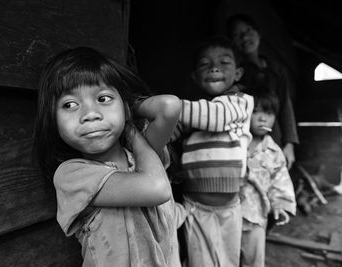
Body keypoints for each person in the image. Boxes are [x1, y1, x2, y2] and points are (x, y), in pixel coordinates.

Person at [33, 46, 185, 267]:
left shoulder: (139, 157)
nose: (90, 115)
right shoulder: (72, 175)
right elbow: (157, 188)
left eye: (103, 99)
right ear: (53, 120)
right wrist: (131, 131)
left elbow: (169, 106)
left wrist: (127, 110)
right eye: (70, 105)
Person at [170, 36, 254, 267]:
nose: (214, 67)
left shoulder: (240, 102)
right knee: (200, 261)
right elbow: (169, 134)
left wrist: (168, 106)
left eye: (224, 62)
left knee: (227, 260)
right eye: (204, 63)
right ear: (195, 76)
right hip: (195, 205)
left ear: (237, 74)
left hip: (229, 206)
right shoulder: (193, 113)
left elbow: (216, 116)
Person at [226, 13, 299, 170]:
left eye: (248, 30)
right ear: (232, 42)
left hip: (275, 133)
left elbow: (285, 105)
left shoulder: (276, 70)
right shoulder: (236, 73)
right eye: (237, 35)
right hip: (246, 136)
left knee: (275, 174)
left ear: (258, 32)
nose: (245, 38)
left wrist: (289, 143)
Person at [240, 88, 296, 267]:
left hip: (256, 217)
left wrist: (279, 205)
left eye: (269, 113)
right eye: (255, 112)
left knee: (253, 261)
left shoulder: (274, 152)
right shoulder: (234, 143)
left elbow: (279, 182)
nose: (262, 118)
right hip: (226, 214)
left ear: (275, 118)